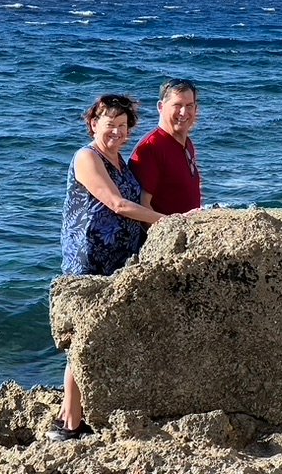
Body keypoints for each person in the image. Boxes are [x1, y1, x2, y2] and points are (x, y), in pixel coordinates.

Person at [51, 93, 166, 442]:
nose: (116, 131)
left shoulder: (121, 162)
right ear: (93, 123)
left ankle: (74, 413)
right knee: (82, 336)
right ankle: (69, 424)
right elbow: (117, 204)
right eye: (109, 124)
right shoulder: (87, 157)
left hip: (119, 259)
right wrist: (169, 222)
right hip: (89, 259)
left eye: (122, 125)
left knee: (97, 334)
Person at [130, 78, 203, 215]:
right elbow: (142, 205)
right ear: (161, 107)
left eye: (189, 106)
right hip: (166, 234)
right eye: (177, 105)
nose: (183, 112)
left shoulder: (187, 143)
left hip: (190, 231)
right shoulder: (151, 147)